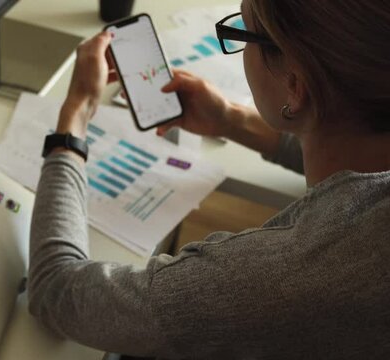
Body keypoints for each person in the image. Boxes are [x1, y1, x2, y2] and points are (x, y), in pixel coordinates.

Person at [28, 0, 390, 358]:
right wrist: (232, 119)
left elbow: (56, 292)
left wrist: (75, 117)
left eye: (243, 33)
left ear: (294, 85)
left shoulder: (276, 279)